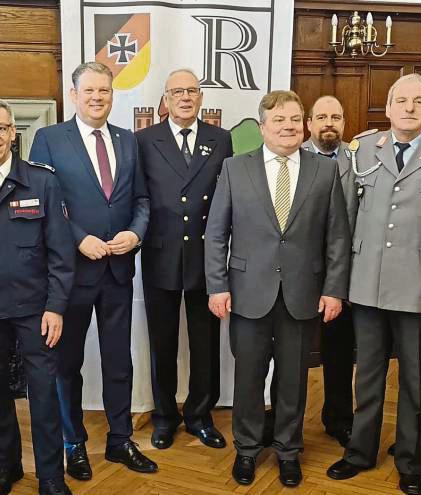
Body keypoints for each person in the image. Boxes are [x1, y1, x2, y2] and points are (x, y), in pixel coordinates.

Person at [326, 74, 421, 495]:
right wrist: (340, 281)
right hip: (367, 282)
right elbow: (344, 222)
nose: (409, 107)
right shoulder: (362, 149)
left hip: (420, 289)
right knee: (367, 375)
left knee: (416, 380)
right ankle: (359, 452)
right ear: (387, 109)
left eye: (418, 101)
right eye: (400, 100)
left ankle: (410, 459)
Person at [205, 90, 350, 488]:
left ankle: (288, 450)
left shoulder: (324, 171)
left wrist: (334, 290)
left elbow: (337, 237)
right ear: (263, 126)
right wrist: (217, 286)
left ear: (304, 124)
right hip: (247, 292)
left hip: (303, 295)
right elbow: (216, 233)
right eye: (278, 120)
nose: (288, 127)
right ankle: (247, 450)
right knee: (249, 378)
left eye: (294, 119)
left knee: (293, 380)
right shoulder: (236, 168)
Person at [28, 61, 155, 480]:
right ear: (74, 93)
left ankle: (120, 440)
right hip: (70, 272)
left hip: (119, 270)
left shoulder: (128, 141)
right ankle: (73, 443)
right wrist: (77, 237)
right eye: (90, 91)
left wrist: (135, 235)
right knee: (67, 364)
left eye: (104, 91)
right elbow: (44, 204)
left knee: (120, 361)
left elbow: (140, 200)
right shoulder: (48, 139)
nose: (98, 98)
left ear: (112, 94)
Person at [0, 97, 75, 495]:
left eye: (1, 128)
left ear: (13, 132)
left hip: (35, 310)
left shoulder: (42, 180)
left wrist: (56, 307)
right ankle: (7, 467)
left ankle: (50, 475)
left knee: (43, 394)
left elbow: (61, 253)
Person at [135, 68, 233, 451]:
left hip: (205, 257)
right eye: (177, 91)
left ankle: (200, 415)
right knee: (162, 343)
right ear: (166, 98)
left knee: (205, 343)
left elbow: (227, 197)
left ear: (201, 97)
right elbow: (138, 195)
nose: (185, 97)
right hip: (160, 254)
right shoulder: (143, 140)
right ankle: (164, 416)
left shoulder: (221, 139)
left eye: (192, 91)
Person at [302, 95, 355, 447]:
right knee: (292, 354)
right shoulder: (293, 155)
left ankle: (338, 418)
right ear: (309, 123)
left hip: (342, 273)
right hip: (299, 272)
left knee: (339, 352)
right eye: (321, 116)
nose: (328, 123)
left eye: (335, 116)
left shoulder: (360, 158)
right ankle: (283, 419)